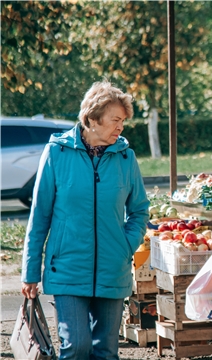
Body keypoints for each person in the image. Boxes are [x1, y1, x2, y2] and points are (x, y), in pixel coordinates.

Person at [21, 80, 150, 359]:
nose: (120, 127)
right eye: (115, 120)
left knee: (105, 351)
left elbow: (139, 210)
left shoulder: (126, 158)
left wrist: (125, 245)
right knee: (76, 346)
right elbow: (40, 215)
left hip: (113, 269)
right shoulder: (57, 153)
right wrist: (30, 271)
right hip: (67, 267)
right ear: (92, 118)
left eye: (123, 121)